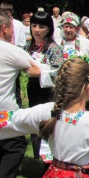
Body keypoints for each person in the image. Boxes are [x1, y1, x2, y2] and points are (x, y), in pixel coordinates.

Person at [0, 12, 41, 178]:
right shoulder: (9, 50)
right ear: (5, 28)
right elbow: (36, 67)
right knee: (16, 146)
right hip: (4, 110)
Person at [24, 11, 63, 159]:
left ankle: (49, 157)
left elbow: (60, 71)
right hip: (33, 88)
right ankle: (36, 155)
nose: (37, 30)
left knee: (46, 122)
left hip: (48, 92)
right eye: (34, 25)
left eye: (41, 26)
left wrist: (40, 73)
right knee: (34, 121)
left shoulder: (53, 48)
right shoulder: (28, 46)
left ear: (48, 29)